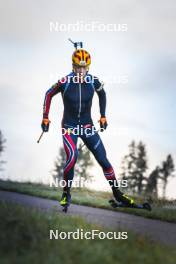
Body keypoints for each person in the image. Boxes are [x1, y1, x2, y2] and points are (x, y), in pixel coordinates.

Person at [41, 48, 135, 208]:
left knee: (103, 160)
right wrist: (45, 117)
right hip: (69, 127)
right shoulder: (65, 81)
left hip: (87, 126)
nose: (81, 71)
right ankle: (66, 193)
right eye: (78, 67)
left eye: (84, 68)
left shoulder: (93, 81)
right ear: (73, 66)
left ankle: (118, 193)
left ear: (88, 67)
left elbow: (103, 94)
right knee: (72, 157)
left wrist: (103, 115)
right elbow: (48, 94)